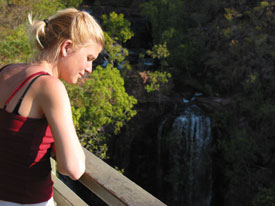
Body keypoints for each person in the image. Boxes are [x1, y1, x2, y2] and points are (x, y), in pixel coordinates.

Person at [0, 7, 104, 206]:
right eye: (89, 58)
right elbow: (73, 168)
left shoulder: (7, 71)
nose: (89, 69)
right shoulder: (50, 87)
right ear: (67, 47)